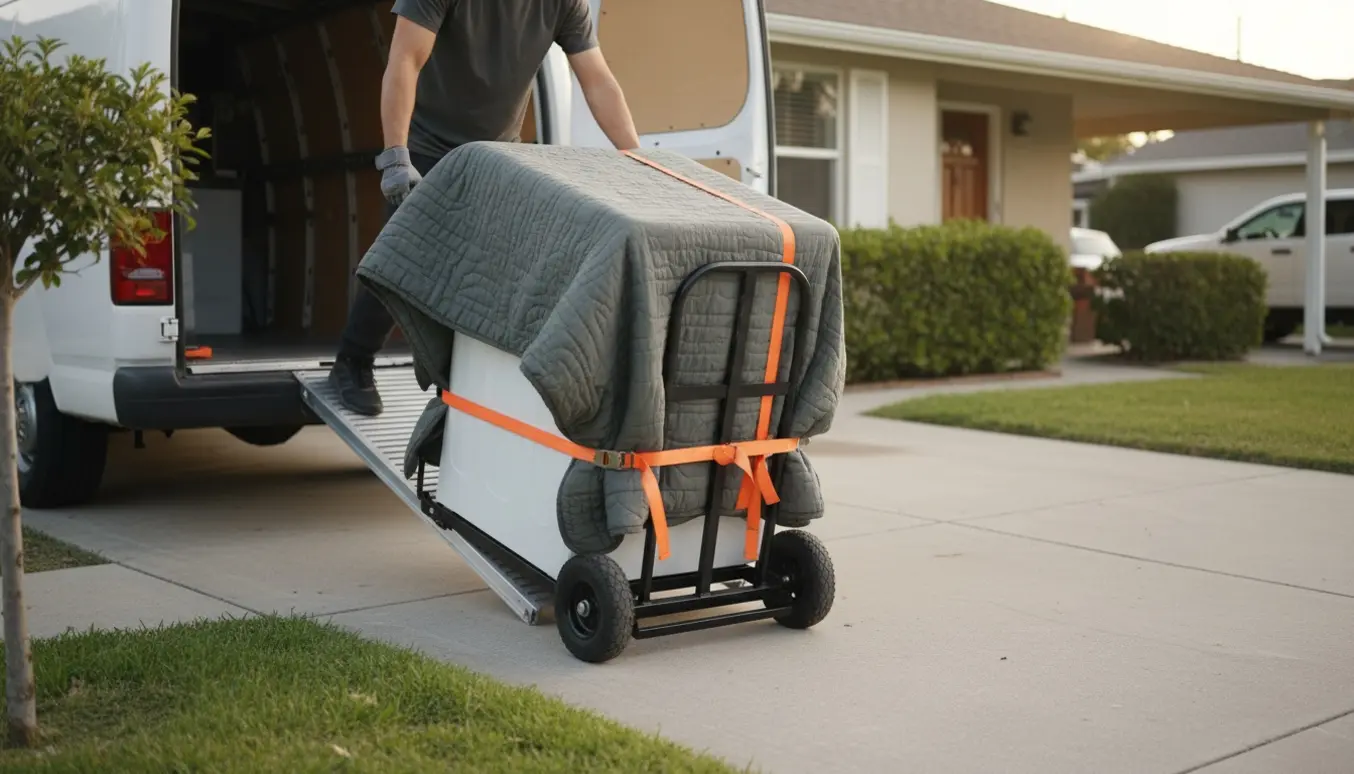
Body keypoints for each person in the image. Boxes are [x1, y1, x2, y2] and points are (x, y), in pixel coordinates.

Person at [329, 0, 642, 416]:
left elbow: (597, 79)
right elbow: (406, 60)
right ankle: (353, 361)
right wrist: (395, 156)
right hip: (429, 147)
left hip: (498, 155)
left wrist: (638, 158)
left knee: (490, 279)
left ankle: (459, 392)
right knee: (402, 264)